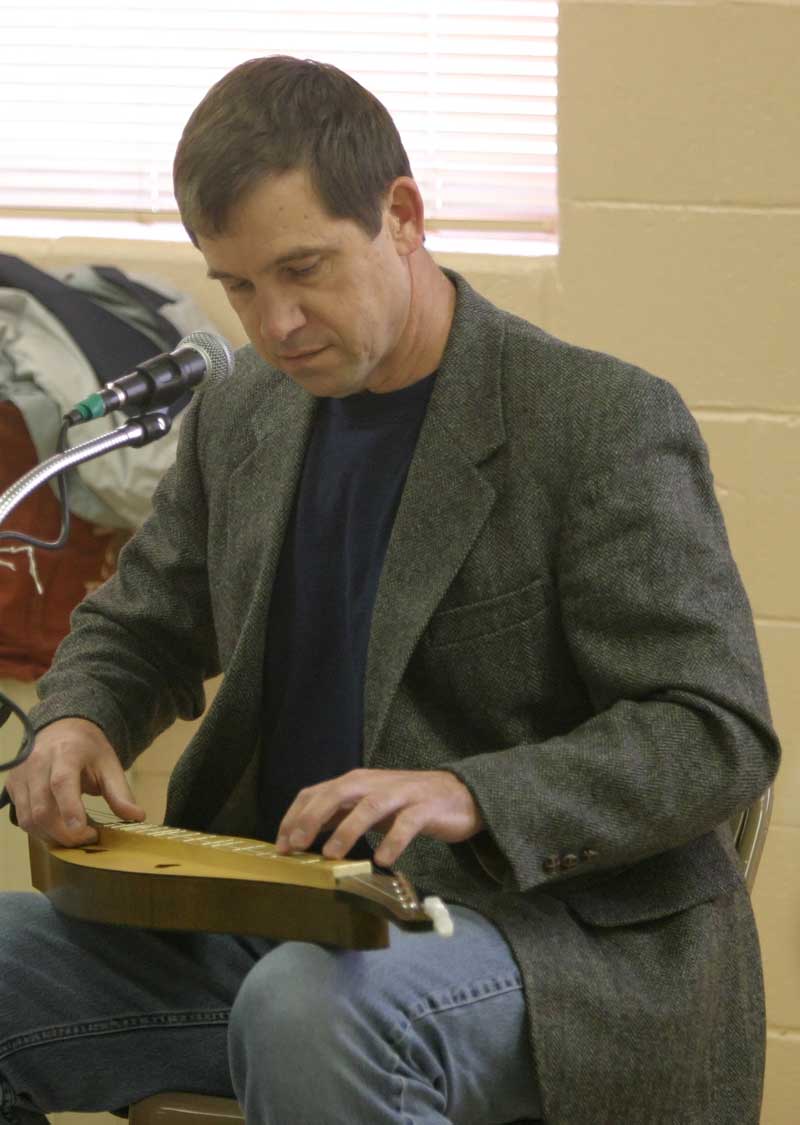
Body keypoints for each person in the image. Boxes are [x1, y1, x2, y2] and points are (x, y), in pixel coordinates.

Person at [0, 56, 780, 1125]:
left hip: (545, 945)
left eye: (304, 268)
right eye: (237, 284)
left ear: (402, 215)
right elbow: (141, 624)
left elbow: (713, 733)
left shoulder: (594, 422)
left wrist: (469, 792)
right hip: (283, 920)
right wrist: (79, 716)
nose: (273, 324)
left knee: (310, 1011)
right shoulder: (243, 418)